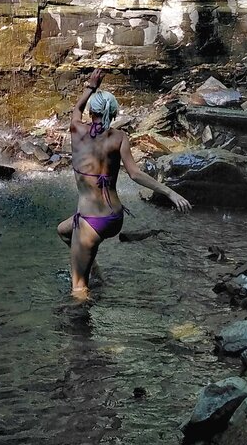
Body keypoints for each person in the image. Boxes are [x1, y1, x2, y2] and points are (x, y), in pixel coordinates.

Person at [57, 69, 192, 299]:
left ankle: (80, 333)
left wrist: (91, 87)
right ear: (113, 112)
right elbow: (135, 174)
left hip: (90, 221)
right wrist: (170, 193)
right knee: (63, 231)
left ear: (92, 111)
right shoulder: (118, 137)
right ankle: (94, 271)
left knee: (78, 290)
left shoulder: (77, 130)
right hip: (113, 218)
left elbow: (76, 109)